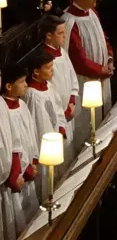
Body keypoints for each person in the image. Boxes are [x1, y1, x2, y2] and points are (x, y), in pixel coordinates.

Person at [62, 0, 113, 142]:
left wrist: (110, 58)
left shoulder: (92, 13)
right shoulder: (69, 21)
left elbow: (103, 38)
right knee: (88, 125)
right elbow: (77, 59)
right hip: (85, 81)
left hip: (102, 74)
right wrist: (101, 71)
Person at [1, 65, 40, 236]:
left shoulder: (22, 106)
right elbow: (11, 145)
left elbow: (31, 135)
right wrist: (15, 173)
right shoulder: (4, 110)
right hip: (13, 175)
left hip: (26, 169)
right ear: (8, 86)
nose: (26, 85)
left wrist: (32, 161)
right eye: (22, 81)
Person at [24, 52, 67, 197]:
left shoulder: (48, 86)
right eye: (48, 68)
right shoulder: (31, 94)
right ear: (36, 71)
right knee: (44, 185)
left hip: (54, 141)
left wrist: (61, 128)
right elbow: (33, 125)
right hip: (42, 148)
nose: (52, 70)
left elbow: (58, 108)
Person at [41, 15, 79, 162]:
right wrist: (61, 112)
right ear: (49, 35)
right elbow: (49, 91)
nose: (65, 36)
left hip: (68, 111)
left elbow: (71, 78)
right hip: (57, 118)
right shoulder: (45, 61)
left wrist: (71, 101)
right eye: (61, 33)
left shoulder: (62, 52)